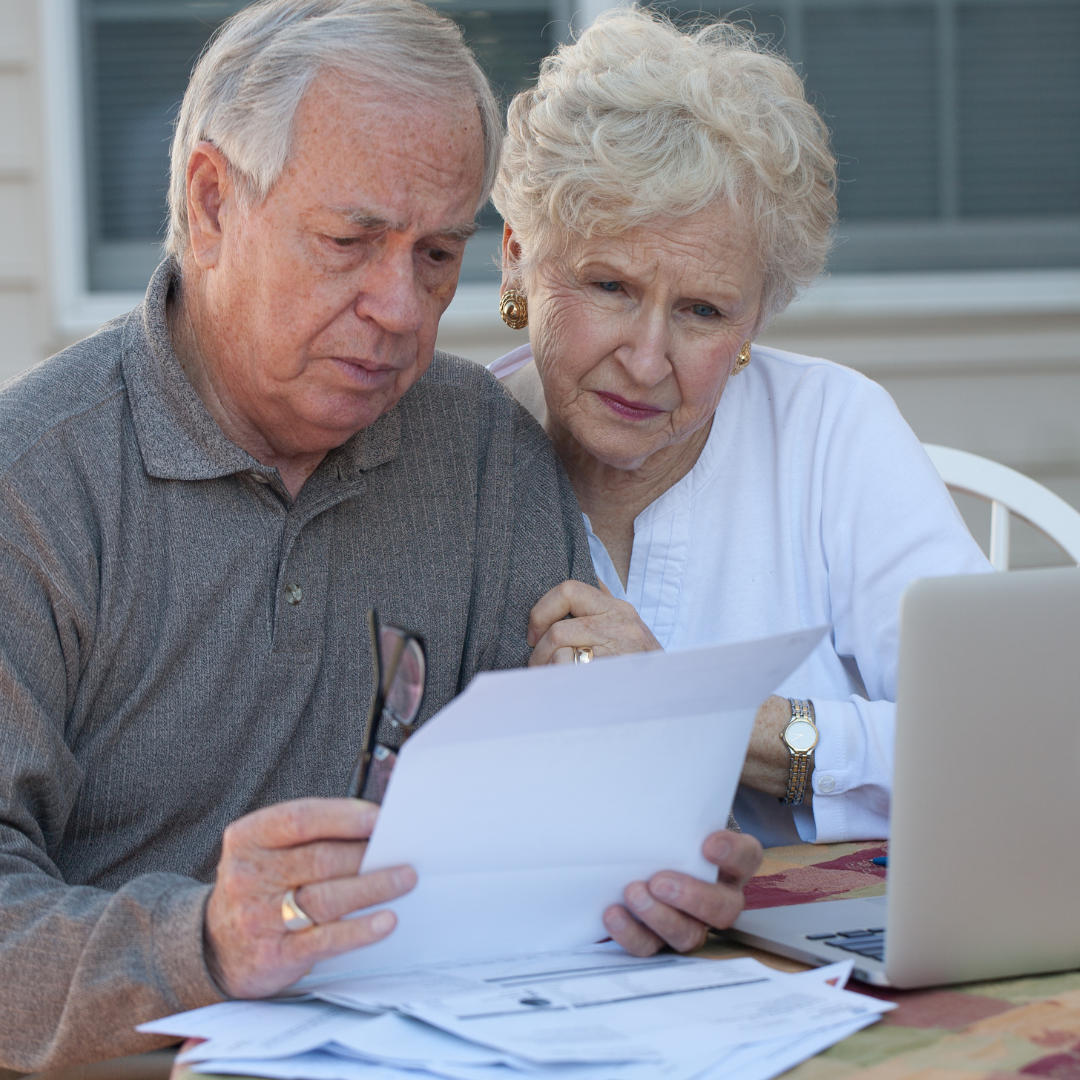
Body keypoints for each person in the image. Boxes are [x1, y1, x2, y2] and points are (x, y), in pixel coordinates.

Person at [0, 2, 761, 1071]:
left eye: (438, 253)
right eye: (351, 241)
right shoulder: (33, 487)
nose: (401, 307)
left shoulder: (483, 452)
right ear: (212, 204)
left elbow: (536, 838)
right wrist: (207, 941)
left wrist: (638, 874)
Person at [493, 8, 991, 904]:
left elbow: (996, 739)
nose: (648, 361)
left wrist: (705, 718)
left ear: (756, 321)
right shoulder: (447, 459)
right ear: (519, 262)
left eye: (704, 311)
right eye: (610, 286)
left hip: (825, 953)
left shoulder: (833, 432)